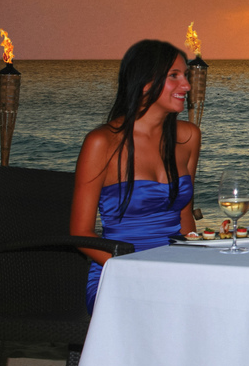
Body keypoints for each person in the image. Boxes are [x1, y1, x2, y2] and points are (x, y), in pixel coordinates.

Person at [70, 39, 201, 314]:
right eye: (174, 76)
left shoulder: (188, 137)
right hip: (120, 271)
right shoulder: (102, 142)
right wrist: (139, 271)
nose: (187, 85)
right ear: (145, 83)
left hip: (174, 269)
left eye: (186, 76)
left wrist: (194, 265)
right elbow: (81, 234)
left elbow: (185, 217)